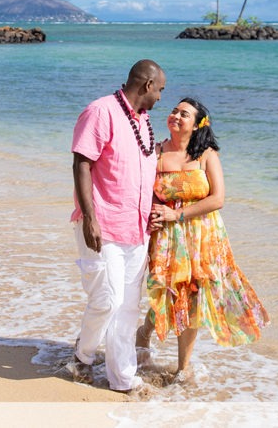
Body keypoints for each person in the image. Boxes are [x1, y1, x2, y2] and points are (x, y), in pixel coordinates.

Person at [136, 97, 269, 383]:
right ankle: (144, 332)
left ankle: (182, 369)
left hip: (204, 235)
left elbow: (217, 199)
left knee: (193, 298)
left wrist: (178, 214)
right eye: (174, 110)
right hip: (168, 236)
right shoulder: (156, 152)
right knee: (170, 292)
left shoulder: (207, 155)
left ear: (197, 125)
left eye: (184, 114)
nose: (175, 115)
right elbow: (143, 192)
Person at [70, 59, 166, 393]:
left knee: (127, 308)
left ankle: (122, 378)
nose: (161, 99)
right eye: (160, 91)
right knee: (107, 300)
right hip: (103, 224)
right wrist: (90, 218)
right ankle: (82, 354)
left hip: (136, 229)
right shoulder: (101, 111)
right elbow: (82, 163)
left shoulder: (144, 122)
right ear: (147, 85)